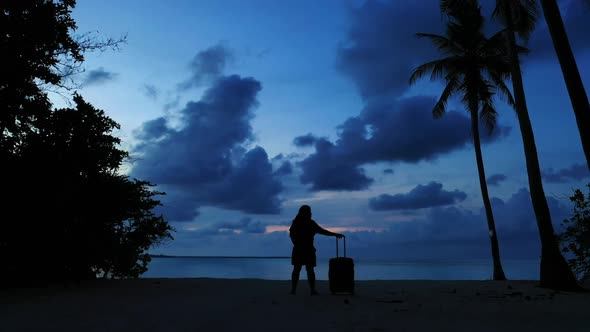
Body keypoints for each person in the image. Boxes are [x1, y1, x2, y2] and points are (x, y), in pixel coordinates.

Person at [289, 205, 344, 295]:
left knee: (300, 269)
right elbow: (323, 231)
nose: (310, 213)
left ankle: (297, 290)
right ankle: (307, 290)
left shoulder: (301, 223)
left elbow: (323, 231)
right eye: (309, 212)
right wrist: (335, 234)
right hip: (305, 249)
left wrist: (335, 234)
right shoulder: (303, 223)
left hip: (302, 249)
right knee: (304, 269)